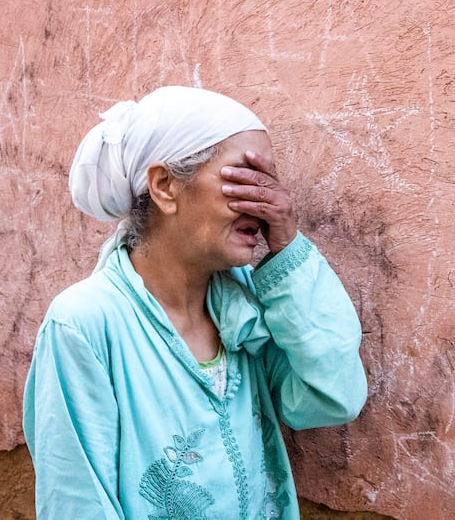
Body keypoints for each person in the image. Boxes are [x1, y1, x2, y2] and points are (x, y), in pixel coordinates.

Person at [22, 86, 367, 519]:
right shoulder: (83, 324)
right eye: (244, 179)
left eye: (269, 182)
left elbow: (332, 397)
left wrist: (286, 247)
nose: (265, 205)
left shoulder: (242, 310)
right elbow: (76, 503)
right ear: (166, 187)